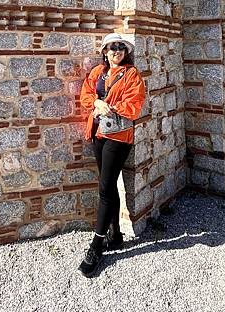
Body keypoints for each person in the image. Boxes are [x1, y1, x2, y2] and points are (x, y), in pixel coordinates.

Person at [78, 32, 146, 277]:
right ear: (105, 52)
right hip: (97, 133)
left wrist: (110, 106)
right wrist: (97, 103)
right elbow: (86, 95)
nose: (116, 51)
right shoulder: (98, 73)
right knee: (109, 186)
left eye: (121, 47)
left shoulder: (132, 75)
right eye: (112, 47)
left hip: (118, 137)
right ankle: (115, 235)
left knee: (105, 188)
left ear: (126, 52)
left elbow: (134, 106)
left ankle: (97, 245)